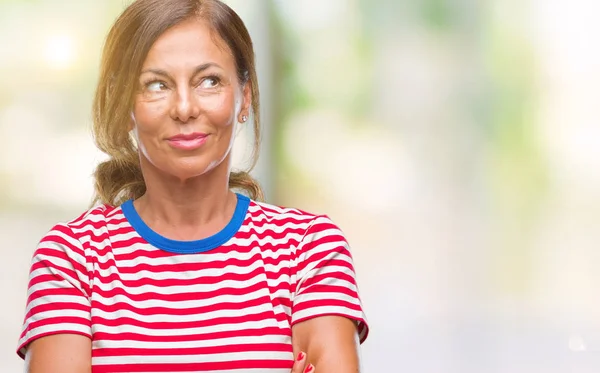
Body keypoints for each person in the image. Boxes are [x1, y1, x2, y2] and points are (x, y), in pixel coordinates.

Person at [17, 0, 369, 372]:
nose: (184, 108)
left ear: (243, 96)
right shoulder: (72, 260)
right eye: (157, 84)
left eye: (209, 80)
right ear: (125, 106)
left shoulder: (308, 250)